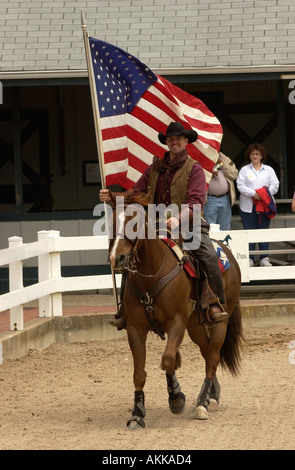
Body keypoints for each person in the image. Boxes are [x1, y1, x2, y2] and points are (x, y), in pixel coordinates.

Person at [100, 121, 228, 326]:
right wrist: (112, 196)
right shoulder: (154, 168)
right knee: (130, 256)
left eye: (178, 138)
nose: (174, 141)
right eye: (170, 138)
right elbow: (135, 193)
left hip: (189, 226)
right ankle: (125, 310)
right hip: (155, 226)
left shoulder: (194, 169)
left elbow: (196, 202)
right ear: (166, 142)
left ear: (186, 141)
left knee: (207, 255)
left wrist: (178, 217)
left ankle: (215, 302)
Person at [236, 142, 279, 267]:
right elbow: (240, 186)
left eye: (257, 154)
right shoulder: (244, 170)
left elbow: (275, 186)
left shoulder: (269, 170)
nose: (255, 156)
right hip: (247, 206)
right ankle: (249, 257)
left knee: (263, 231)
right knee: (249, 231)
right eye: (253, 154)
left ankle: (264, 258)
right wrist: (254, 194)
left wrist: (262, 195)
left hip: (265, 205)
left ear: (262, 156)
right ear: (249, 156)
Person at [203, 152, 238, 230]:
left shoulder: (225, 158)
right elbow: (197, 178)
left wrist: (221, 163)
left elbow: (234, 174)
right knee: (210, 227)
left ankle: (223, 243)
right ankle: (211, 242)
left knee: (225, 228)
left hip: (225, 198)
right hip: (210, 199)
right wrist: (209, 175)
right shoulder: (203, 157)